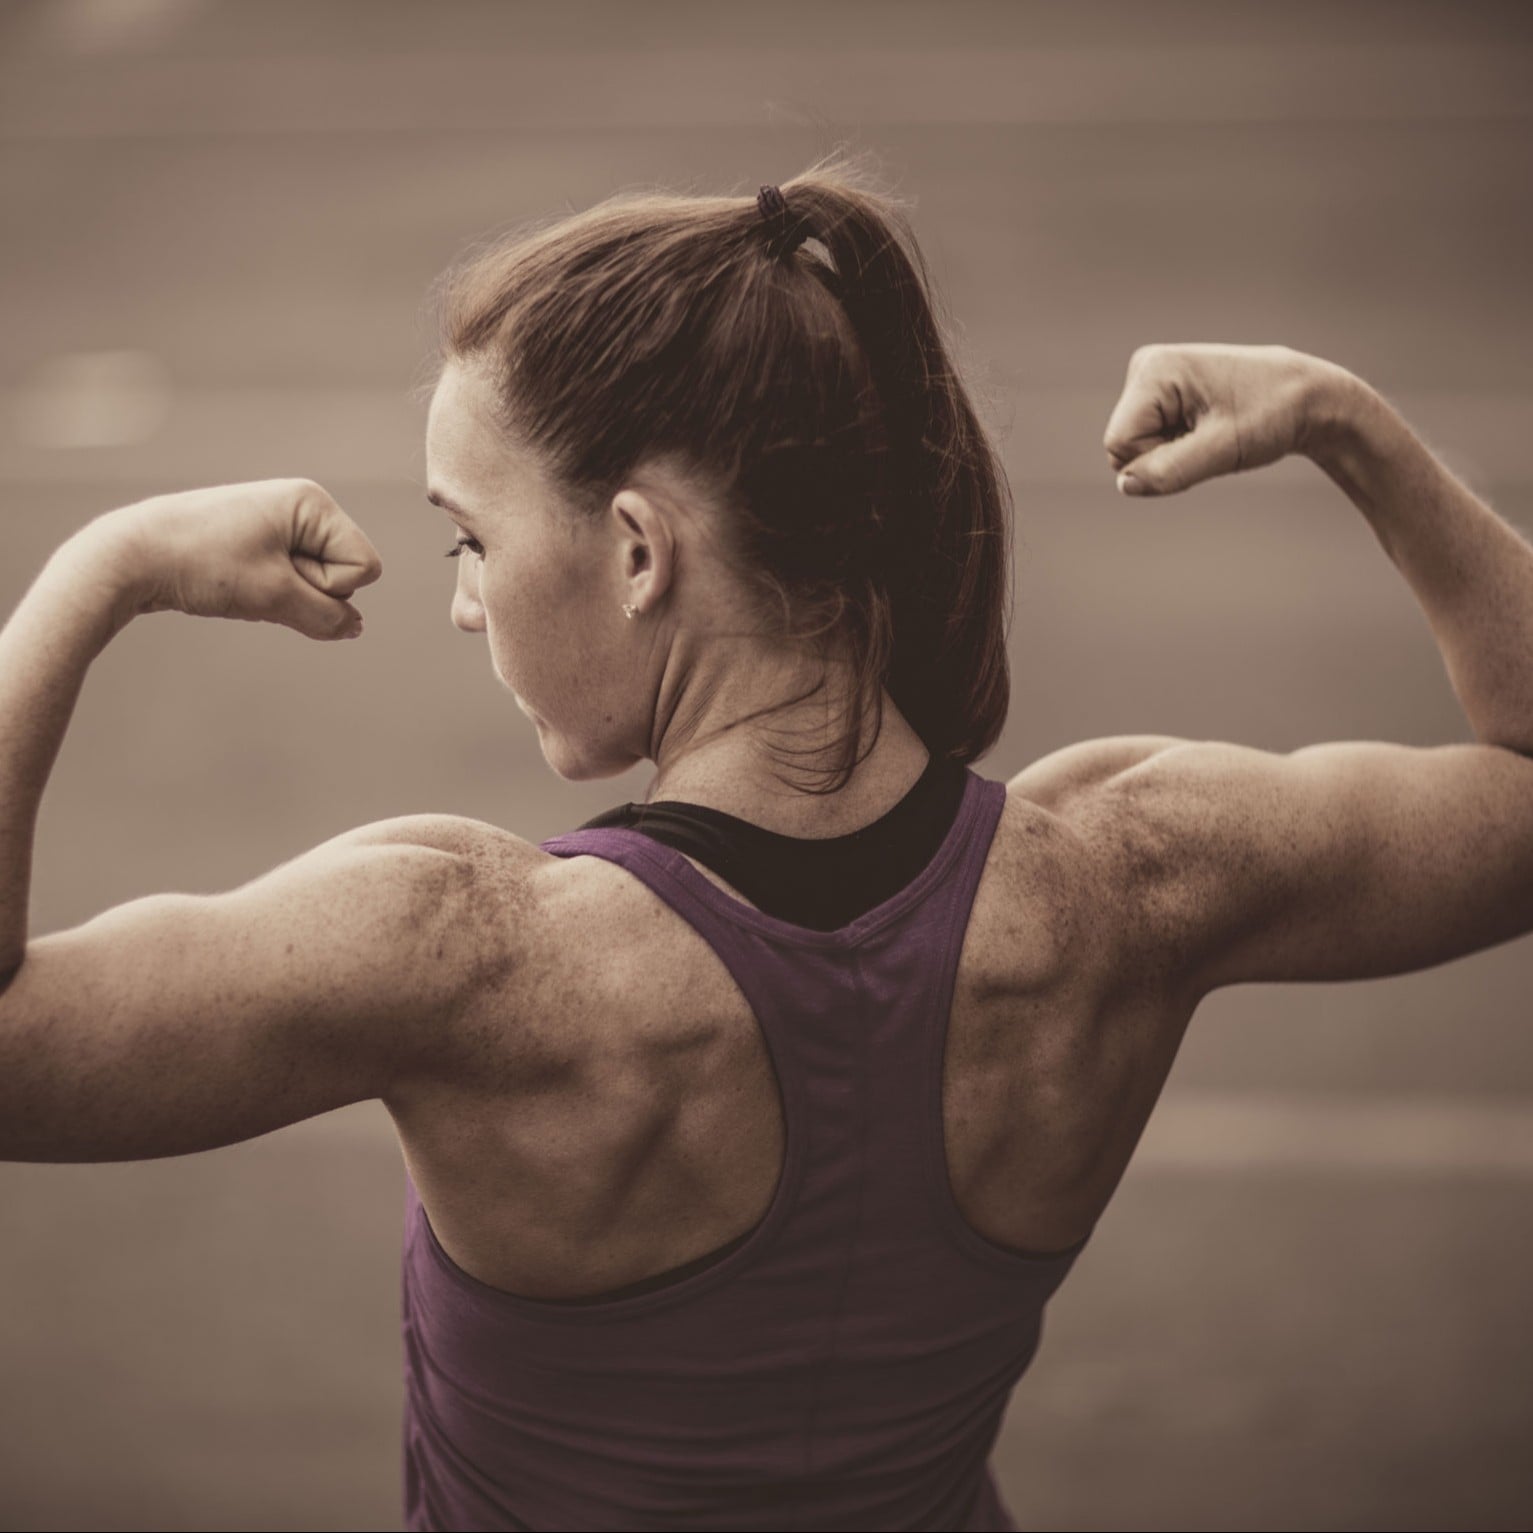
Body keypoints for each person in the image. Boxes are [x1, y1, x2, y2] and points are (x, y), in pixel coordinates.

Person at [2, 155, 1531, 1533]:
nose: (462, 596)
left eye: (473, 536)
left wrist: (99, 574)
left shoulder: (463, 955)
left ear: (636, 549)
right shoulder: (1131, 881)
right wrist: (1344, 423)